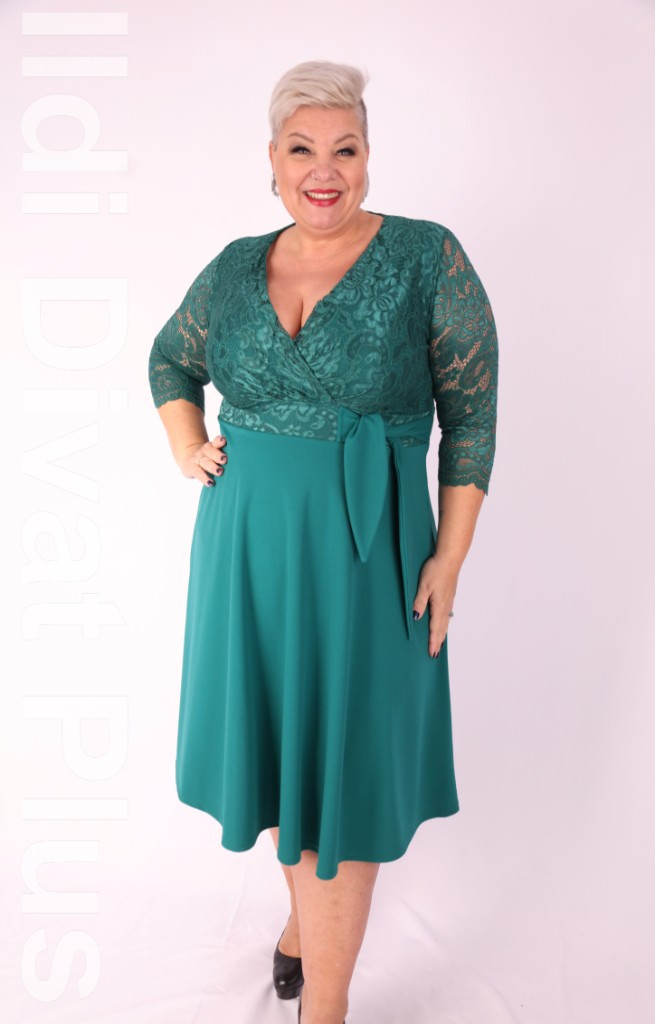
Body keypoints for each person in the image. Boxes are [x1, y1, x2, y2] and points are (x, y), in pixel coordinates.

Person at [148, 59, 498, 1024]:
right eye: (302, 148)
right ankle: (305, 931)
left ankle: (324, 1010)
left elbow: (471, 415)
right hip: (247, 549)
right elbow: (170, 357)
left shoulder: (425, 256)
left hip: (367, 552)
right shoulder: (234, 265)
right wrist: (187, 443)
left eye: (344, 149)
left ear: (368, 157)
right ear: (271, 159)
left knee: (344, 774)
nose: (323, 170)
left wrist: (449, 557)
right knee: (282, 753)